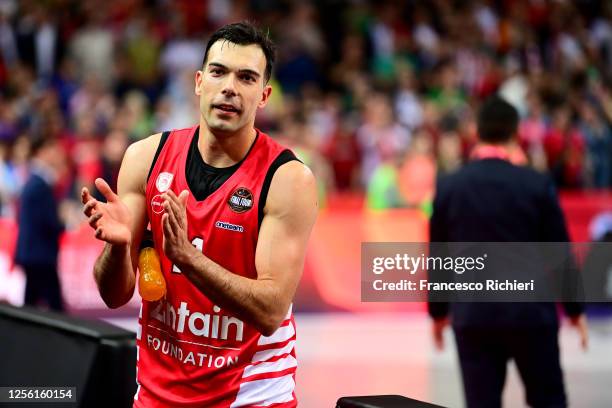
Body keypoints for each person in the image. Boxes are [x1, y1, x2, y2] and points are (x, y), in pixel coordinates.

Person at [81, 22, 318, 407]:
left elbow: (271, 310)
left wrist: (188, 259)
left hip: (251, 397)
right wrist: (117, 248)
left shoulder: (288, 180)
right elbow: (114, 294)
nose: (229, 87)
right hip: (157, 396)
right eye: (218, 71)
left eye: (246, 77)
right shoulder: (145, 158)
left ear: (264, 95)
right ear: (198, 82)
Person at [428, 96, 588, 408]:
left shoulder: (450, 186)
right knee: (549, 400)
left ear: (476, 132)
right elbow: (559, 251)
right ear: (515, 134)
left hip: (474, 315)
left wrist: (438, 313)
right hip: (530, 314)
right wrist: (575, 309)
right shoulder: (535, 184)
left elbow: (439, 257)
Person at [15, 136, 66, 311]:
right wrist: (64, 225)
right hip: (40, 255)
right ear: (42, 152)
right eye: (52, 149)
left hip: (32, 253)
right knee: (56, 306)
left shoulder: (34, 182)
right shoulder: (39, 184)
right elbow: (47, 221)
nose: (57, 154)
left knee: (30, 303)